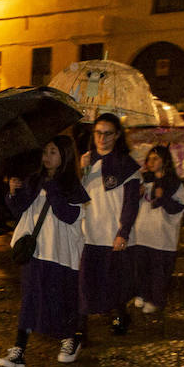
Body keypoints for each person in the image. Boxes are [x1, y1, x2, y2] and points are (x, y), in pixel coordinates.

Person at [0, 135, 90, 367]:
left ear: (65, 156)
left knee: (61, 298)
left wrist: (53, 191)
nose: (47, 157)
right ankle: (19, 350)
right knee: (30, 299)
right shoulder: (35, 180)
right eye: (45, 151)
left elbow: (69, 216)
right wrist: (13, 193)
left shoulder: (72, 185)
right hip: (36, 251)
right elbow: (19, 210)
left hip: (61, 253)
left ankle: (70, 338)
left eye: (53, 152)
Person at [77, 113, 141, 341]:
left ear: (117, 135)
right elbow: (77, 195)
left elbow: (131, 202)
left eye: (108, 133)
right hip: (88, 232)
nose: (102, 138)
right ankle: (80, 326)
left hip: (112, 234)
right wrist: (81, 170)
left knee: (114, 281)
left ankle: (119, 314)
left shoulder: (127, 165)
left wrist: (123, 232)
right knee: (85, 280)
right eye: (98, 133)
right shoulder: (86, 161)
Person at [128, 145, 184, 315]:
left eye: (156, 158)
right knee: (140, 268)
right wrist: (137, 194)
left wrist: (165, 198)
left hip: (162, 237)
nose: (151, 162)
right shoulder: (144, 180)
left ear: (165, 161)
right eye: (149, 158)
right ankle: (142, 293)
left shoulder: (174, 183)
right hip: (142, 233)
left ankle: (155, 300)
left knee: (159, 271)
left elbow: (181, 208)